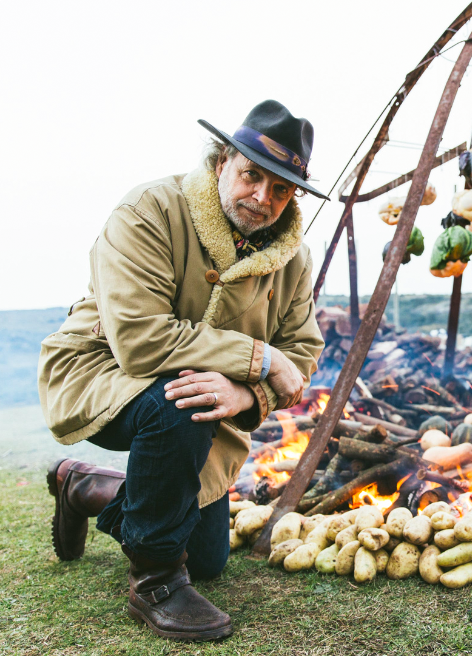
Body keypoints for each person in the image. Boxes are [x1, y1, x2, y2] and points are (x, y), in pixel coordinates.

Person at [38, 100, 326, 642]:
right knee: (183, 401)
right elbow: (139, 341)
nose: (263, 198)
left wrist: (248, 398)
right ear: (222, 163)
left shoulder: (294, 257)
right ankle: (155, 582)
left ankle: (82, 488)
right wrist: (258, 360)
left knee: (210, 558)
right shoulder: (148, 210)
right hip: (102, 369)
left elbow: (301, 352)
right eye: (252, 175)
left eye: (282, 188)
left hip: (210, 394)